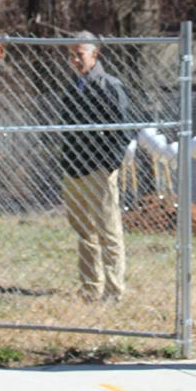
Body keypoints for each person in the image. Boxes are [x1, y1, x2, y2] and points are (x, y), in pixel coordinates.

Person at [59, 32, 131, 302]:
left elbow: (123, 130)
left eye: (80, 54)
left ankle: (114, 291)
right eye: (71, 55)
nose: (75, 60)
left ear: (94, 54)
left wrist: (109, 165)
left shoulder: (108, 85)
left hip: (99, 169)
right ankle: (91, 287)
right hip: (74, 169)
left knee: (108, 232)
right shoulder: (71, 87)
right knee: (84, 231)